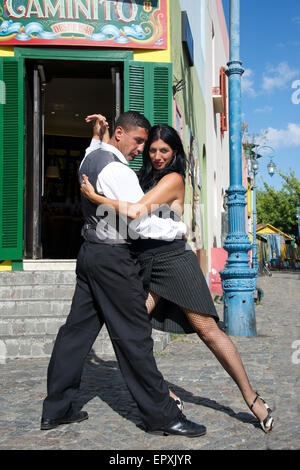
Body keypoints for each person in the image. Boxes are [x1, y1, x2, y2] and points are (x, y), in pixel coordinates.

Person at [81, 116, 274, 434]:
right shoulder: (143, 178)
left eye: (164, 151)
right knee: (131, 328)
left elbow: (133, 211)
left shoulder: (173, 180)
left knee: (208, 332)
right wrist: (99, 136)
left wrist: (95, 198)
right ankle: (164, 396)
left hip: (173, 261)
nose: (157, 156)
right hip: (145, 261)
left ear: (175, 153)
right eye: (152, 150)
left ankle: (252, 398)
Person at [40, 111, 207, 438]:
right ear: (119, 133)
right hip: (114, 259)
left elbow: (92, 151)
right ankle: (162, 416)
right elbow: (140, 223)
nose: (141, 150)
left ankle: (56, 410)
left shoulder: (90, 158)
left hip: (89, 254)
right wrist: (179, 227)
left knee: (75, 333)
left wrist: (97, 135)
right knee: (134, 336)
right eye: (139, 141)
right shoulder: (118, 170)